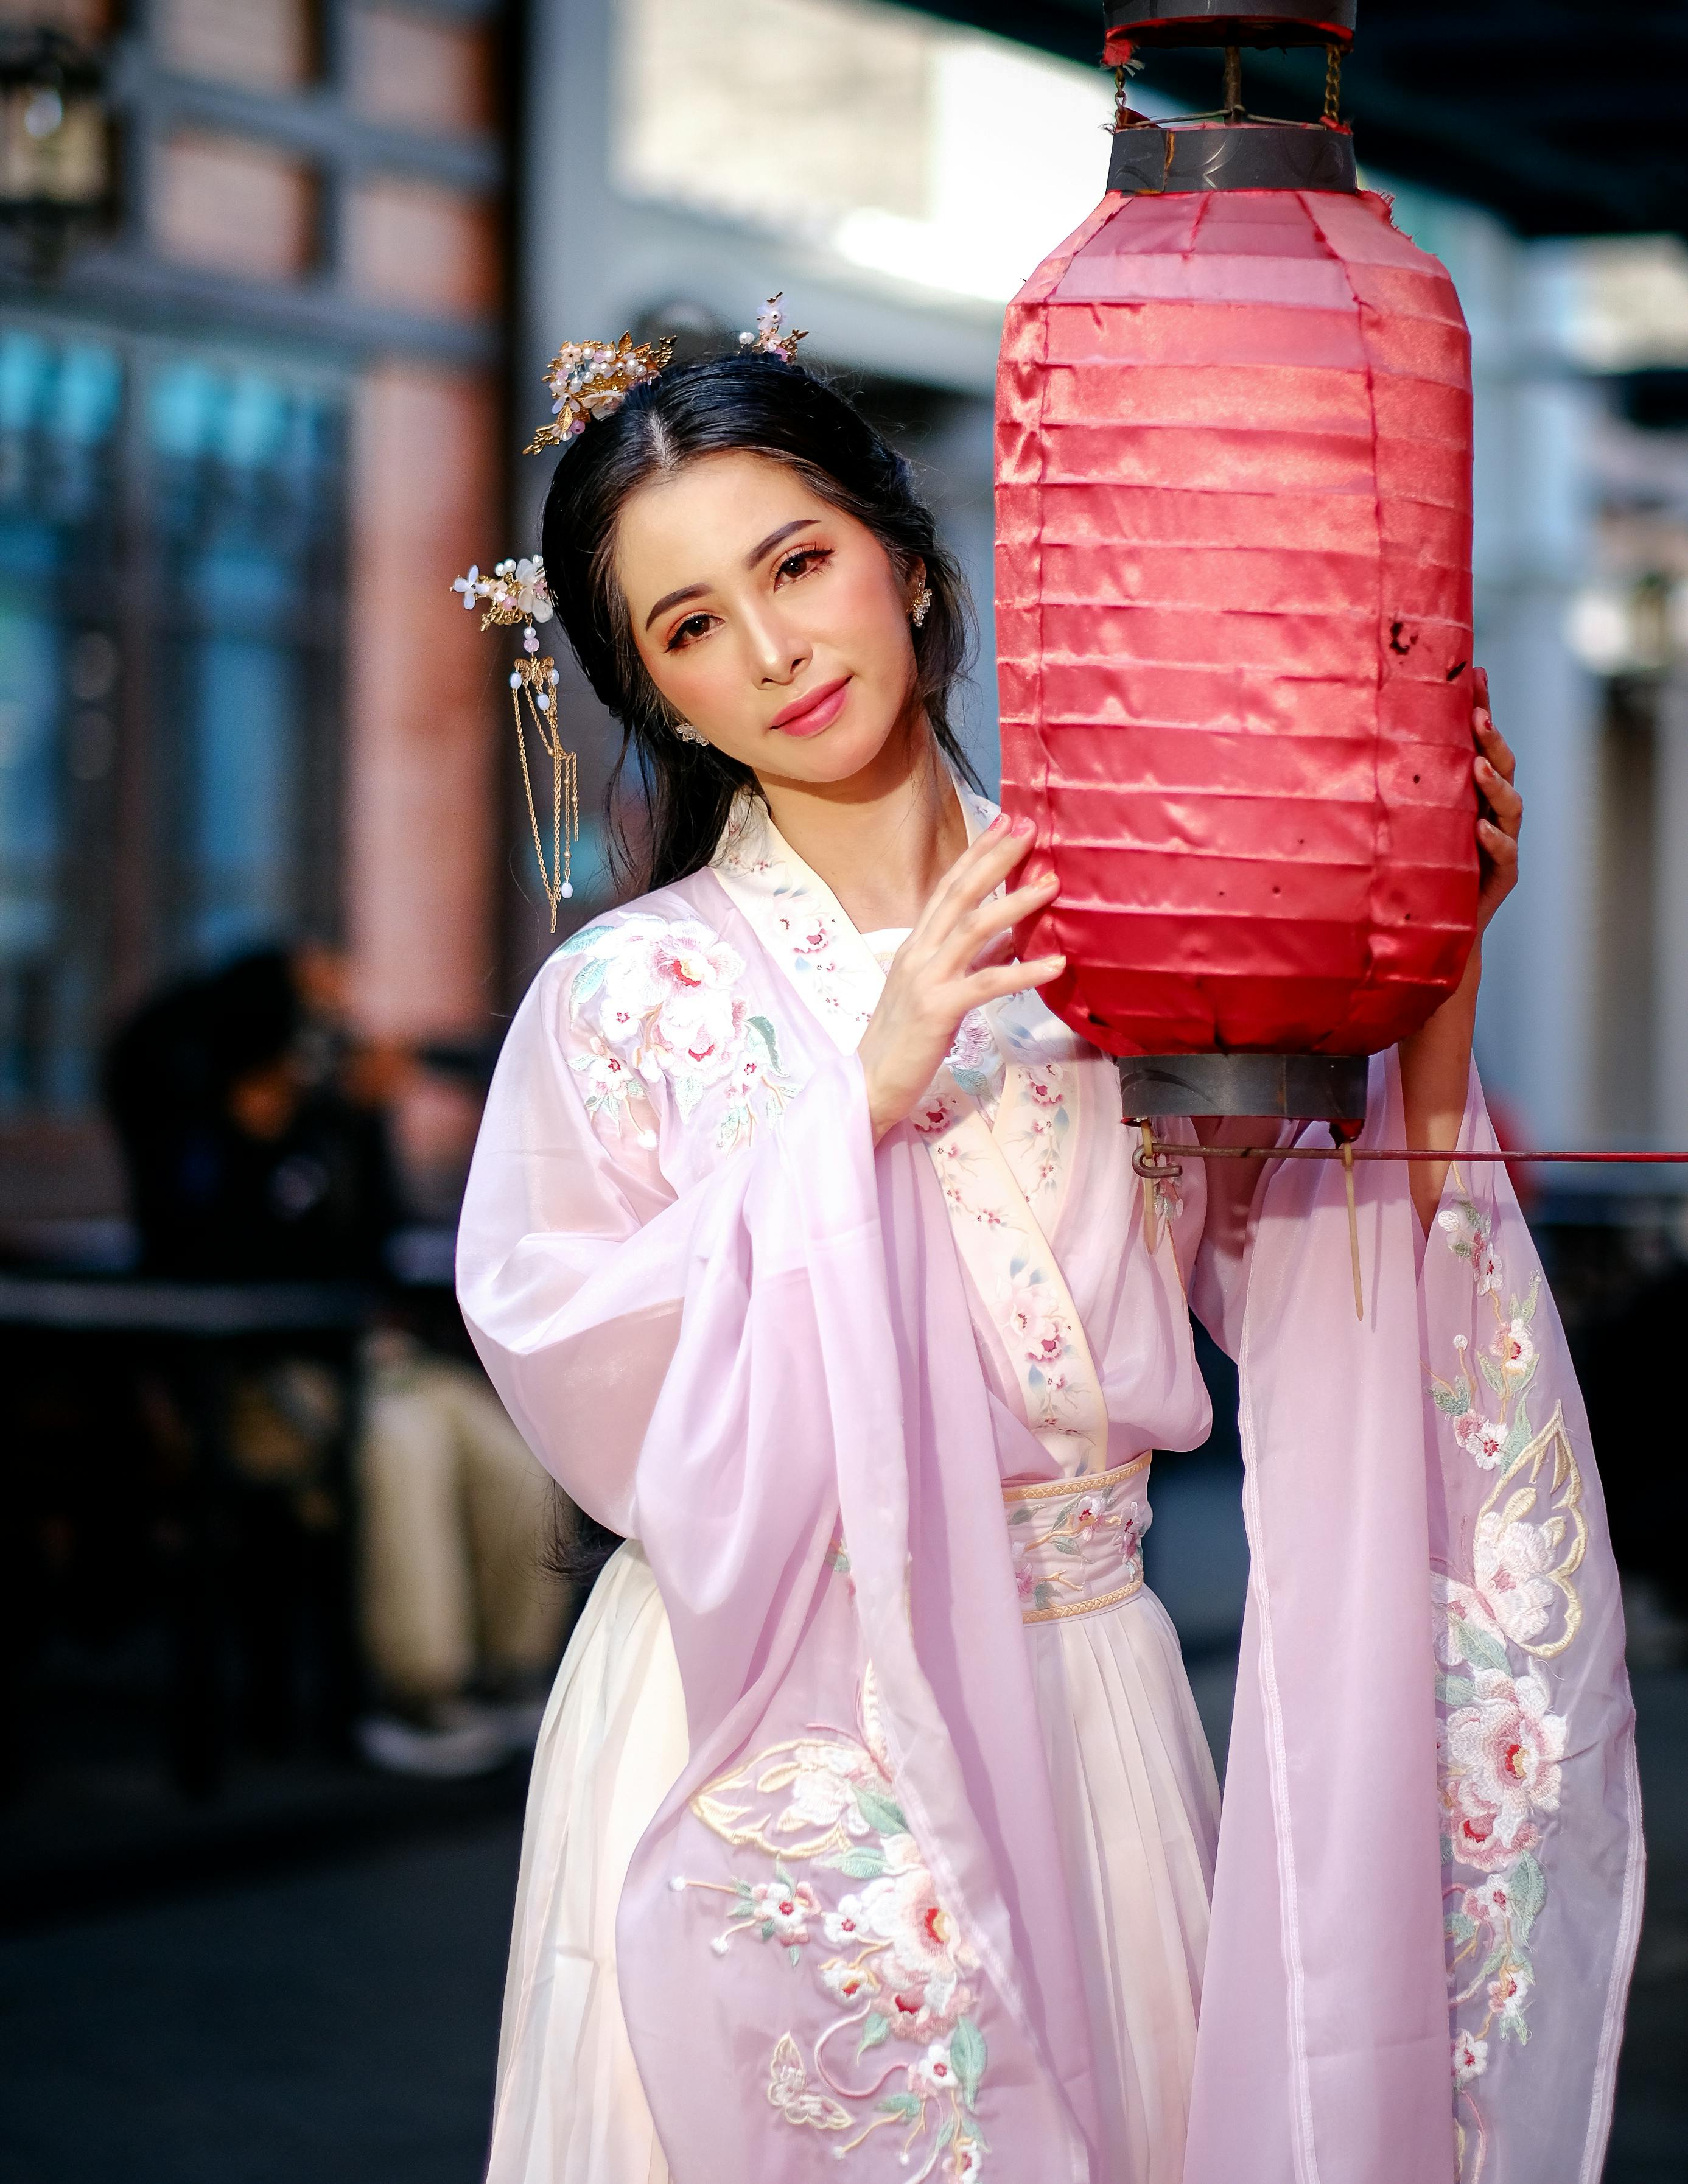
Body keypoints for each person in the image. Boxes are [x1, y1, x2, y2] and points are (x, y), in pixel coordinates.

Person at [456, 317, 1640, 2182]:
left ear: (908, 565)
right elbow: (598, 1391)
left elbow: (1331, 1275)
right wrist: (862, 1089)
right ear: (660, 698)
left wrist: (1431, 968)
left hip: (1083, 1685)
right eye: (689, 628)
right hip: (775, 1703)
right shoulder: (629, 999)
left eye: (796, 564)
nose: (770, 650)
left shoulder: (1138, 930)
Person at [107, 947, 566, 1775]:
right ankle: (414, 1689)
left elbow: (372, 1247)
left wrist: (366, 1123)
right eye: (312, 1015)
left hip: (361, 1362)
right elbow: (202, 1251)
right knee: (399, 1442)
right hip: (254, 1383)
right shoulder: (189, 1117)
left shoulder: (330, 1124)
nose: (332, 1036)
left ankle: (513, 1672)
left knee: (511, 1449)